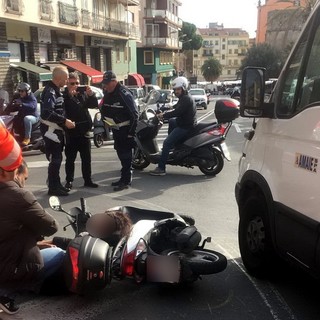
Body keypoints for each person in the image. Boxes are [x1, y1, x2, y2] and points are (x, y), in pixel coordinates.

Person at [0, 124, 64, 315]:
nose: (22, 182)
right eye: (22, 176)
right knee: (60, 253)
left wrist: (36, 241)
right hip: (7, 269)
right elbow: (51, 226)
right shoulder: (18, 195)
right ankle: (6, 293)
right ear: (6, 171)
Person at [149, 76, 197, 176]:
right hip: (185, 123)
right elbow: (177, 107)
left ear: (183, 88)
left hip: (185, 127)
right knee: (171, 121)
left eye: (178, 89)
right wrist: (168, 107)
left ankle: (161, 168)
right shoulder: (184, 98)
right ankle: (172, 147)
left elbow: (178, 112)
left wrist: (163, 115)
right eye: (175, 90)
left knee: (166, 143)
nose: (176, 91)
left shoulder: (186, 99)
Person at [100, 71, 139, 191]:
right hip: (115, 128)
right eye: (104, 83)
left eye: (107, 83)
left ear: (114, 81)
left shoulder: (124, 94)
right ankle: (123, 178)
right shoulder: (108, 93)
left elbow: (134, 115)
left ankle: (126, 181)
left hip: (125, 129)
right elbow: (104, 107)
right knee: (121, 155)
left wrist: (130, 133)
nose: (105, 86)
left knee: (126, 156)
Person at [40, 66, 75, 196]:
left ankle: (57, 184)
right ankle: (53, 187)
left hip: (56, 131)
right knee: (55, 160)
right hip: (51, 131)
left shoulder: (55, 90)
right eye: (65, 79)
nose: (66, 81)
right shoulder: (50, 92)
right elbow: (47, 113)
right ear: (59, 78)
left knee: (57, 159)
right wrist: (64, 121)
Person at [63, 72, 99, 190]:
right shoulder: (64, 96)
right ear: (67, 84)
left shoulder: (82, 94)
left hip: (84, 131)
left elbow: (93, 105)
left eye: (77, 83)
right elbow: (63, 110)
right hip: (72, 132)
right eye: (72, 83)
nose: (75, 86)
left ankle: (88, 180)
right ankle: (69, 181)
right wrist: (69, 96)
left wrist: (91, 95)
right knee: (70, 159)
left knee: (86, 159)